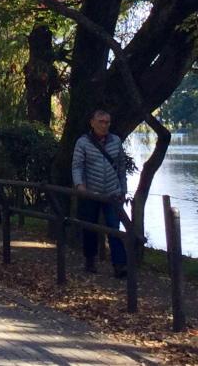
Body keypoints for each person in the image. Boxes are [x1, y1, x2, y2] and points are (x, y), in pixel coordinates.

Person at [72, 109, 129, 278]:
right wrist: (79, 185)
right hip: (91, 192)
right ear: (92, 122)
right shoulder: (82, 143)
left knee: (114, 228)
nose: (104, 125)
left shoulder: (116, 141)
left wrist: (123, 189)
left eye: (107, 122)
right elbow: (77, 166)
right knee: (90, 227)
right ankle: (90, 260)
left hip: (112, 192)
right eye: (101, 121)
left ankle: (119, 265)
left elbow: (121, 167)